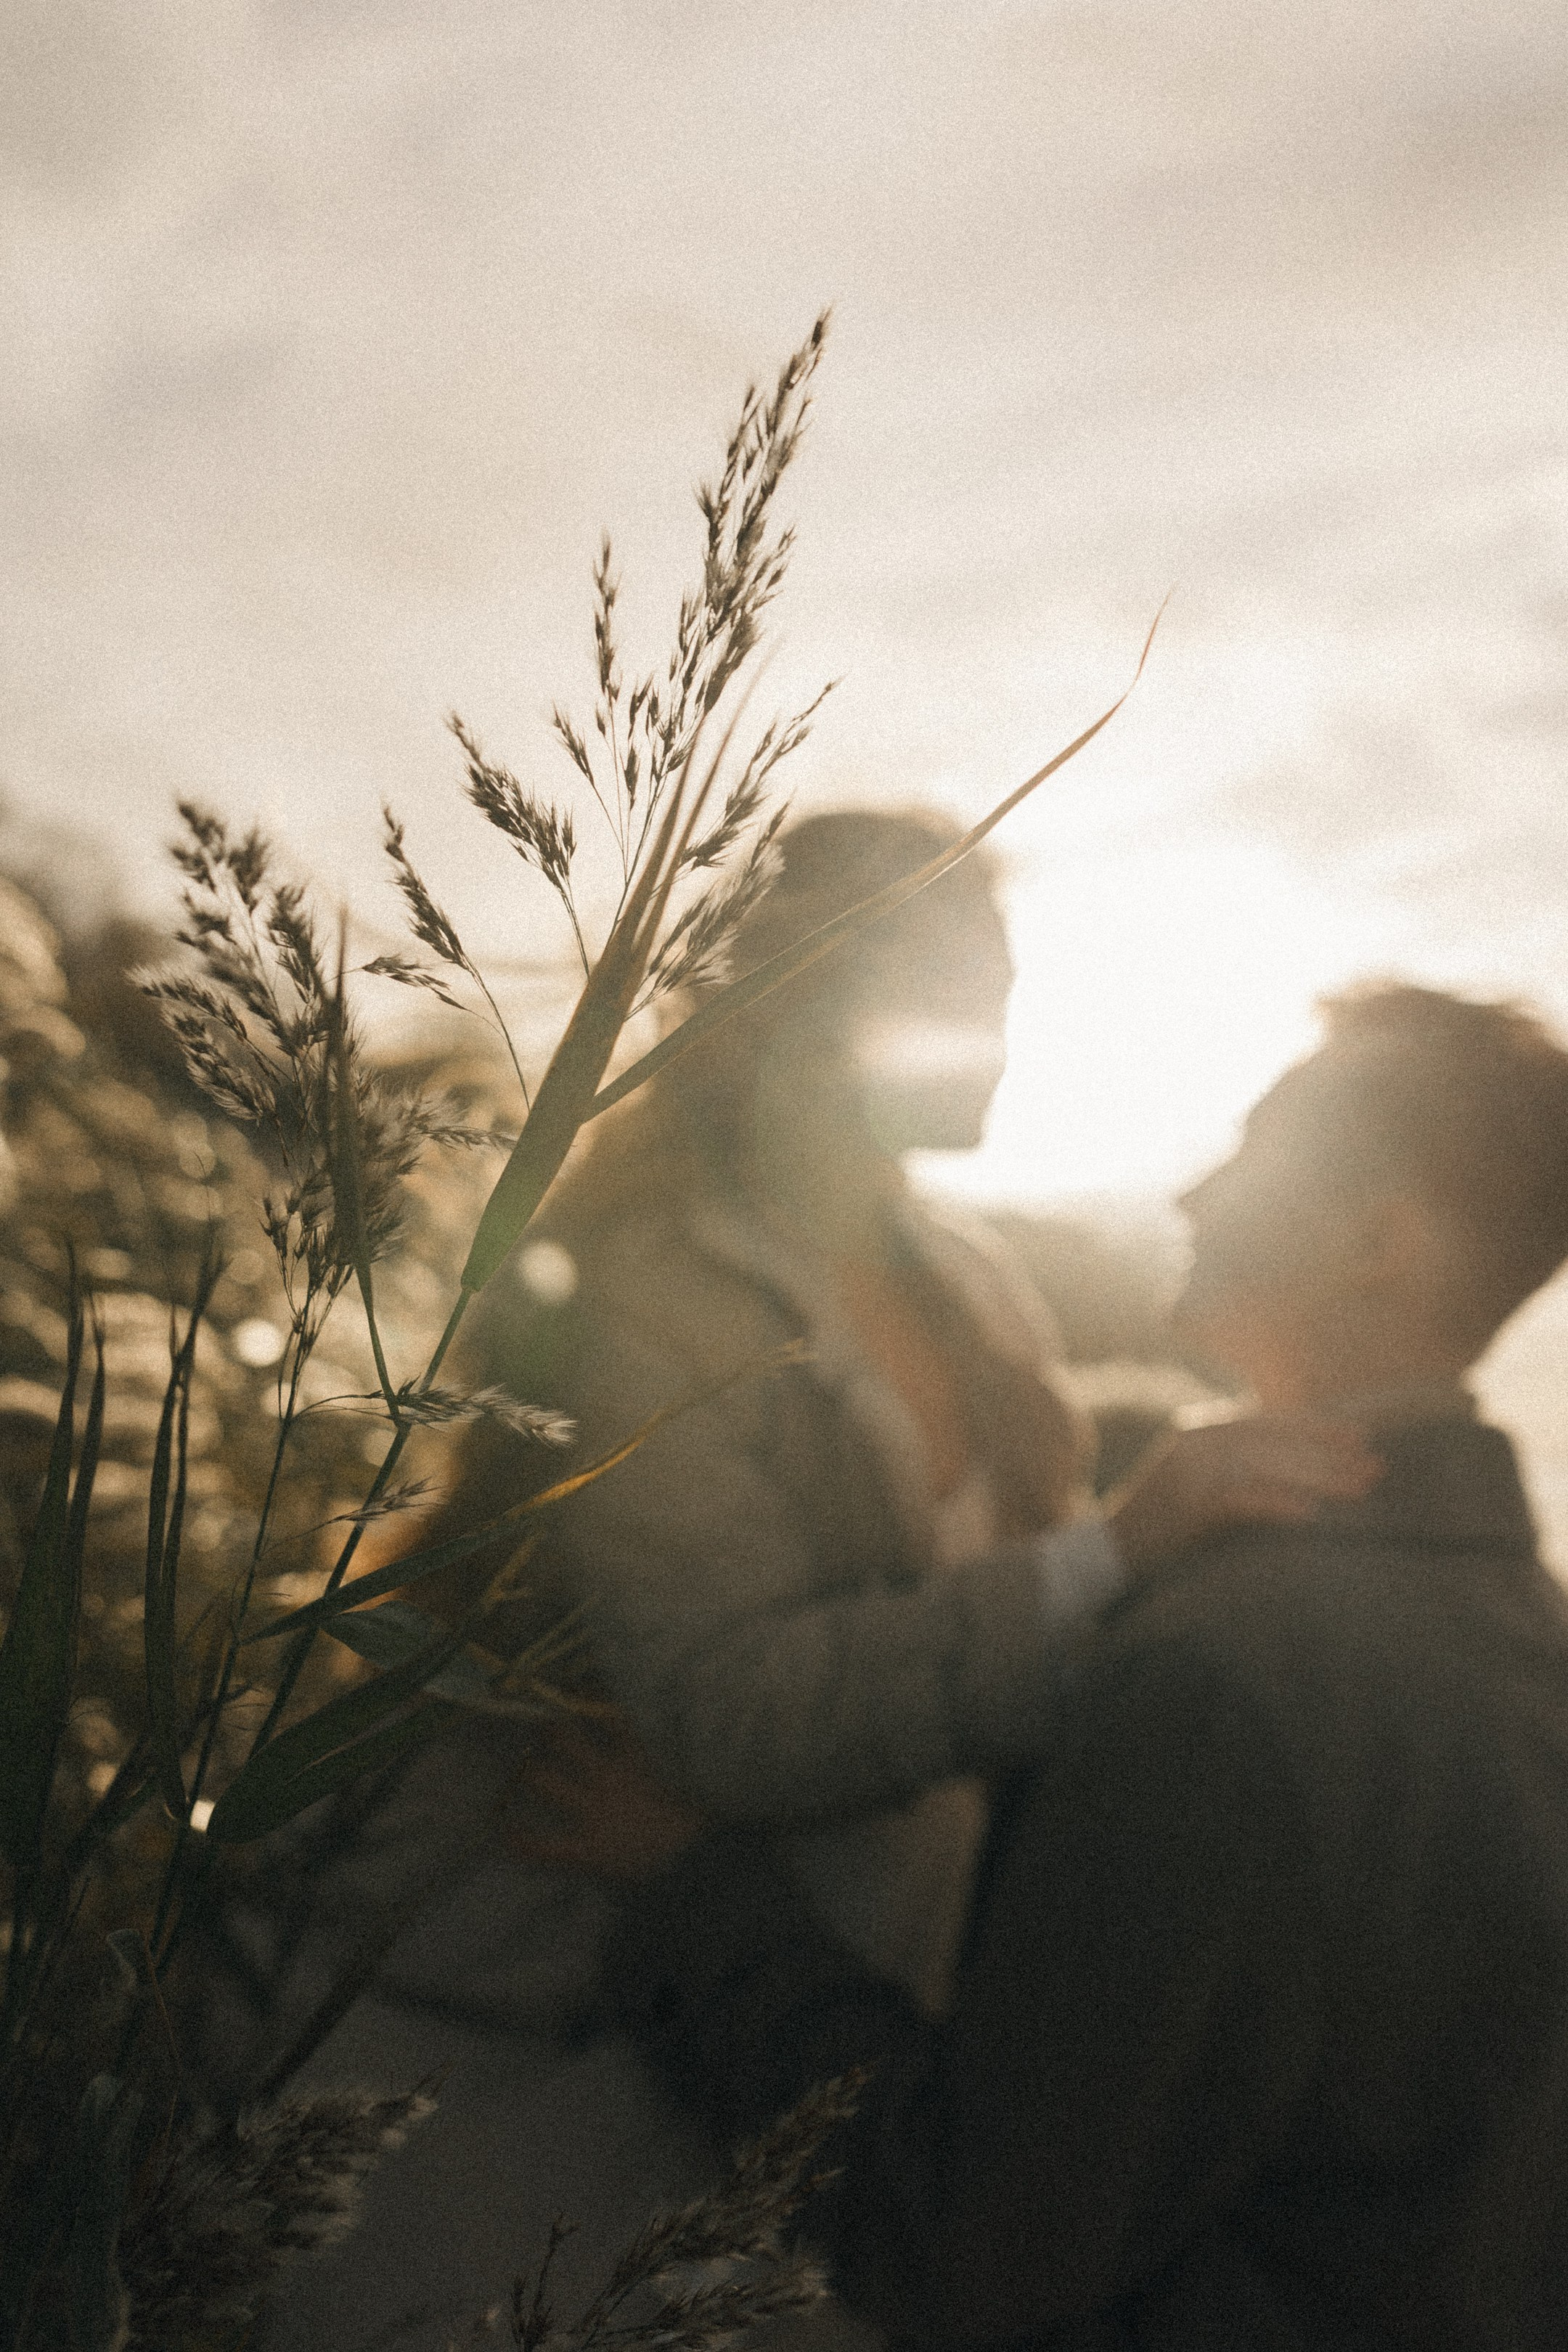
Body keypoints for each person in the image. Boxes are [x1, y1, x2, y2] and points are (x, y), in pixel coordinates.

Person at [249, 813, 1373, 2348]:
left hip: (776, 2044)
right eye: (969, 992)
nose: (1005, 1034)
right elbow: (732, 1716)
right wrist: (1124, 1545)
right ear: (815, 1006)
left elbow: (1002, 1586)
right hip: (518, 2042)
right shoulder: (650, 1294)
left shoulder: (966, 1283)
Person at [523, 981, 1568, 2351]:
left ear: (1381, 1241)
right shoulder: (1523, 1634)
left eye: (1261, 1148)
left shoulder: (1224, 1681)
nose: (1196, 1189)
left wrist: (697, 1898)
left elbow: (958, 2238)